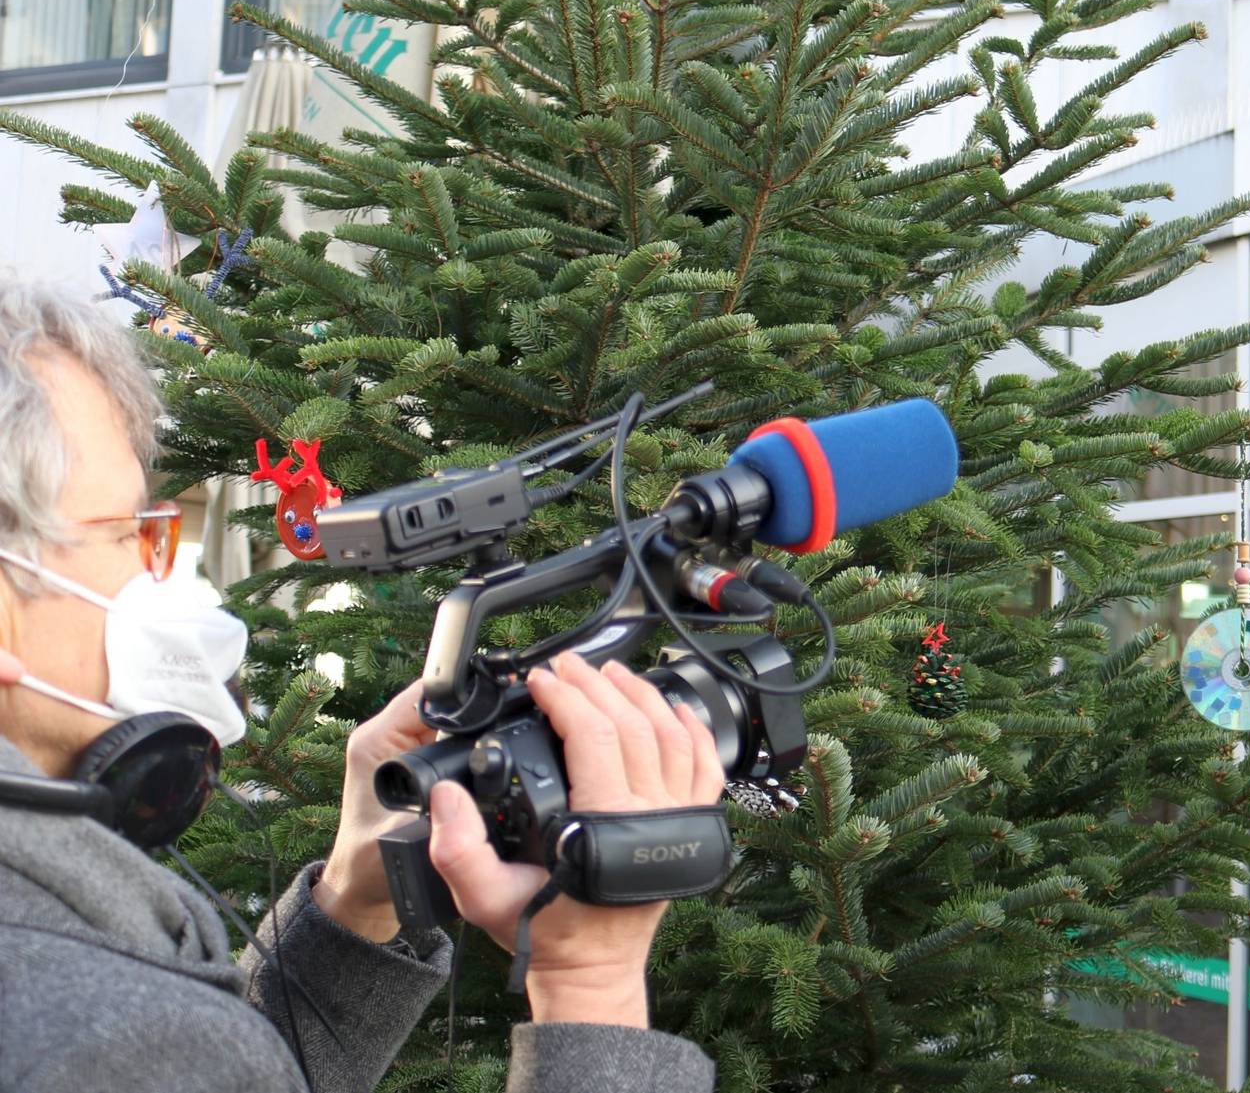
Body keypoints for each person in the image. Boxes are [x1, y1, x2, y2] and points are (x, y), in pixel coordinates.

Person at [0, 275, 722, 1091]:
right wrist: (592, 980)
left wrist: (355, 894)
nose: (160, 569)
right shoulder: (103, 1035)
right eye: (133, 530)